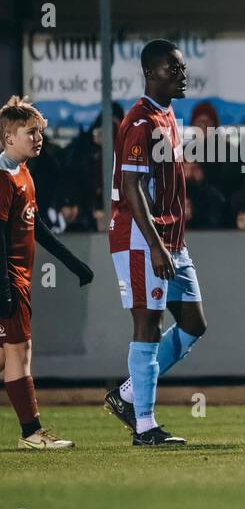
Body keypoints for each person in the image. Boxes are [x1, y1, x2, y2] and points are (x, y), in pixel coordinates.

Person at [103, 40, 208, 447]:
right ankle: (145, 426)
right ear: (151, 72)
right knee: (148, 323)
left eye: (182, 69)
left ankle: (128, 393)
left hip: (169, 238)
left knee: (194, 323)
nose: (182, 75)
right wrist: (157, 245)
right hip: (140, 238)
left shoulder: (167, 115)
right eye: (174, 69)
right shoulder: (139, 121)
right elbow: (130, 187)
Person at [0, 97, 93, 449]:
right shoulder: (3, 179)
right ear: (9, 137)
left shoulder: (23, 173)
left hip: (17, 278)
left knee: (3, 355)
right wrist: (4, 287)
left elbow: (34, 225)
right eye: (31, 132)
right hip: (11, 279)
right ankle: (31, 433)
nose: (38, 138)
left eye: (40, 132)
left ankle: (31, 432)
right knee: (19, 352)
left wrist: (72, 263)